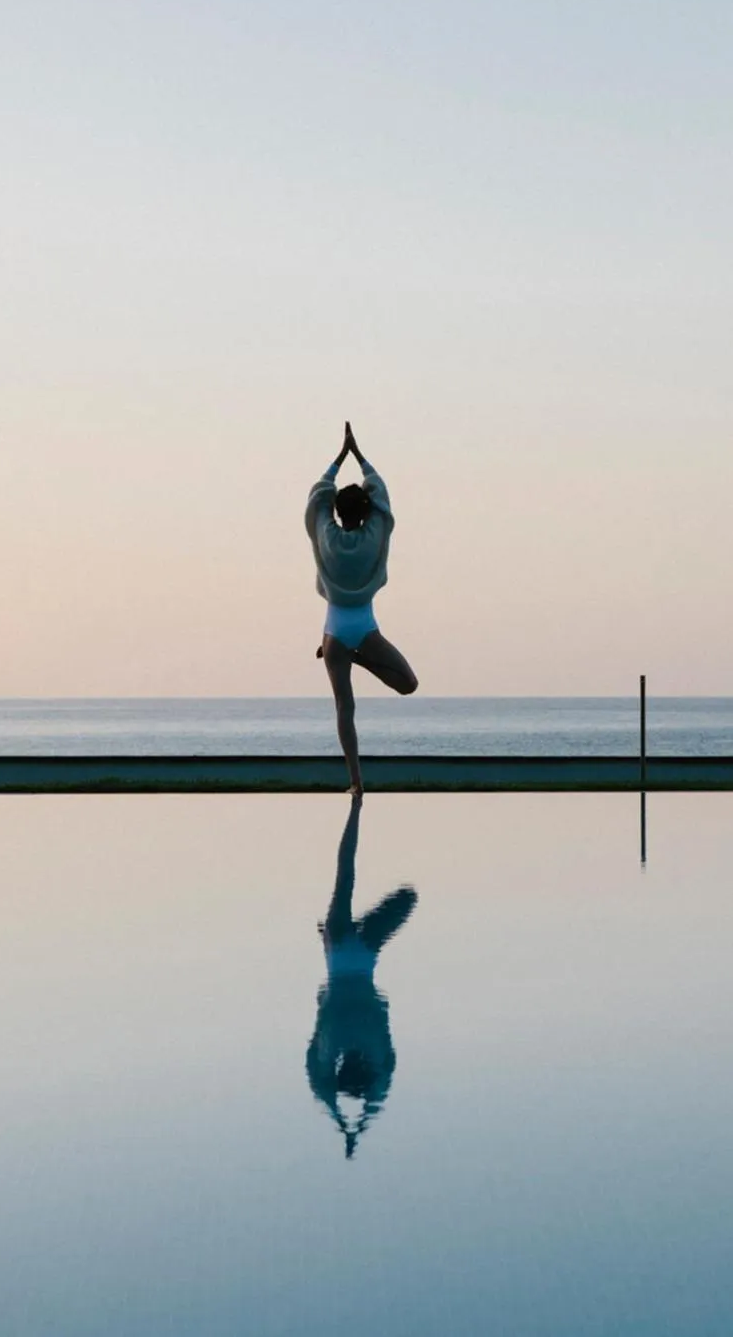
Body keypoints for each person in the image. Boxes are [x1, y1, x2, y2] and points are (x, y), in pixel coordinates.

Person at [305, 422, 418, 798]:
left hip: (334, 632)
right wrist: (360, 457)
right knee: (408, 684)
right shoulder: (373, 537)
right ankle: (356, 782)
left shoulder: (326, 534)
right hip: (363, 629)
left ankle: (356, 780)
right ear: (366, 512)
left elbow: (316, 498)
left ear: (338, 511)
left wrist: (338, 460)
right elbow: (382, 497)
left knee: (344, 707)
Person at [306, 797, 418, 1159]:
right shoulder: (332, 1046)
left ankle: (355, 811)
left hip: (363, 954)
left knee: (406, 897)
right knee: (345, 876)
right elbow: (316, 1079)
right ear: (345, 1066)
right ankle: (354, 812)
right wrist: (343, 1122)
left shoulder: (372, 1048)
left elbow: (385, 1077)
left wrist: (357, 1123)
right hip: (338, 951)